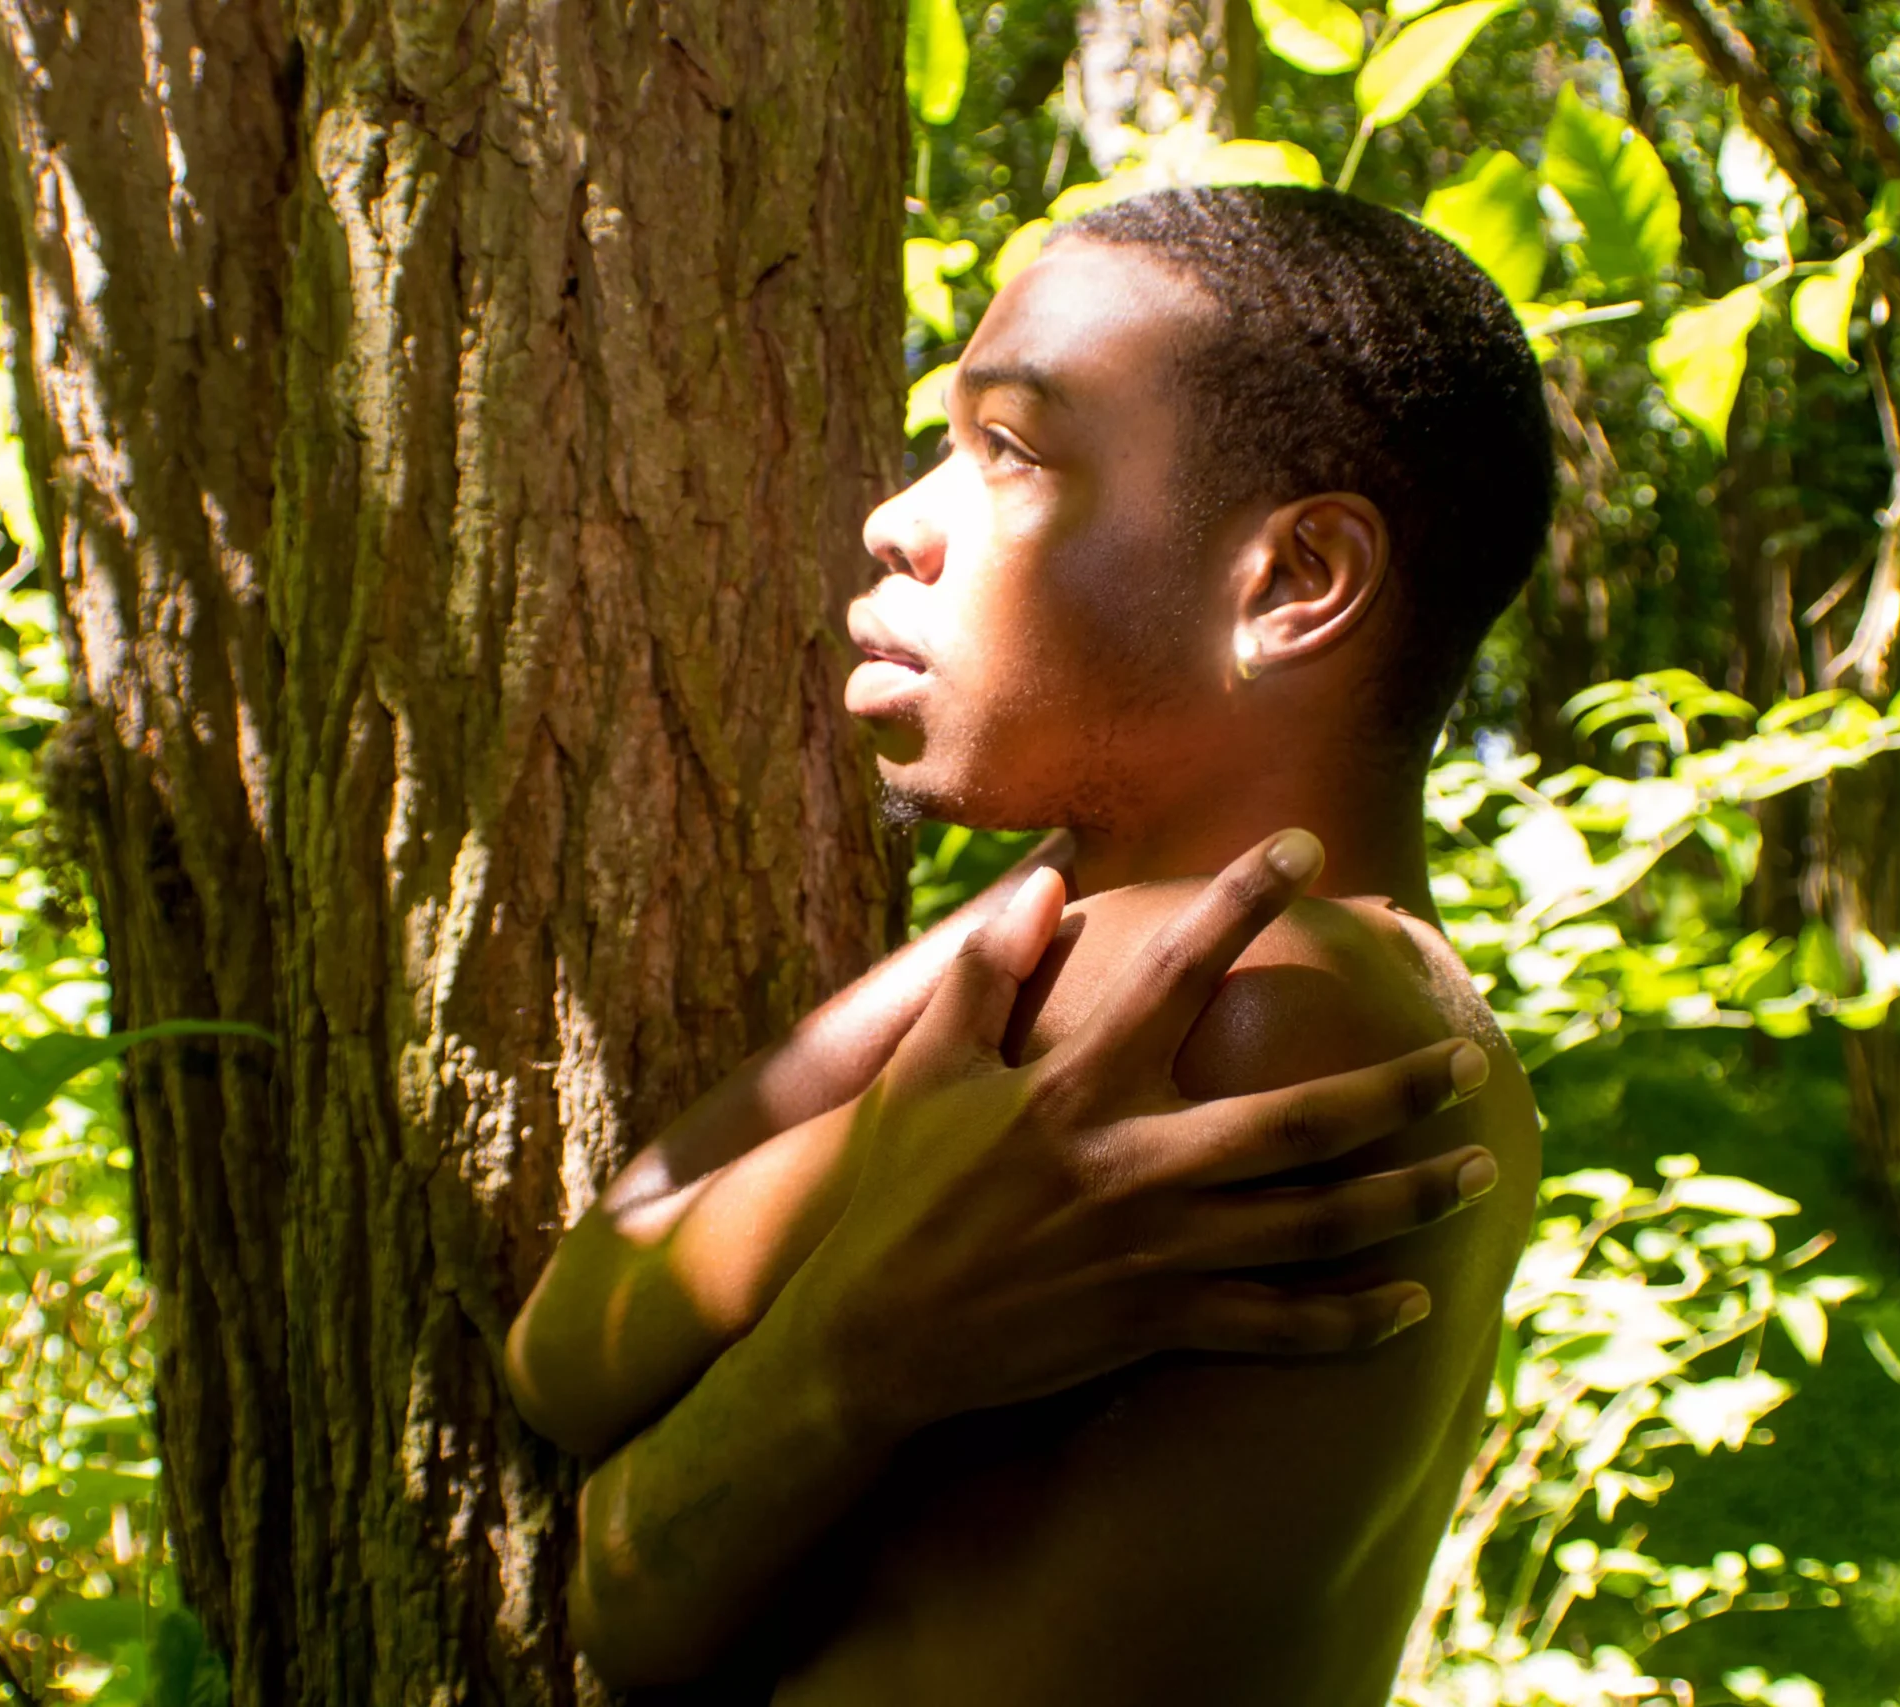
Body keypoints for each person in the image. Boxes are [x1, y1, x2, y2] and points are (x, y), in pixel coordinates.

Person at [506, 183, 1555, 1705]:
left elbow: (612, 1546)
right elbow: (594, 1308)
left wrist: (858, 1345)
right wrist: (1087, 849)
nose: (897, 518)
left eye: (1009, 449)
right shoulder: (1355, 981)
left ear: (1294, 580)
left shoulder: (1235, 1001)